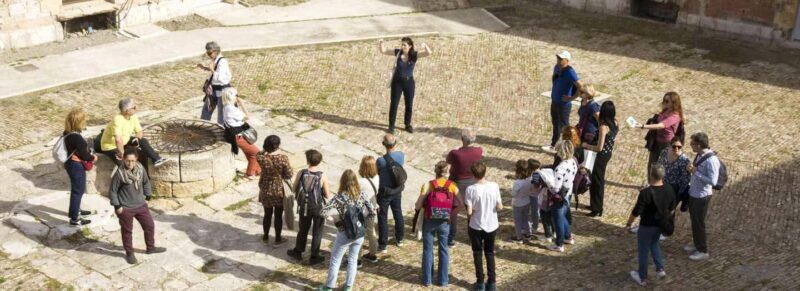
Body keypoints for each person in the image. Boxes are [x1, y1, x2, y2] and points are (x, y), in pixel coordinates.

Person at [317, 170, 376, 291]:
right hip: (359, 233)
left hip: (345, 233)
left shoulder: (339, 198)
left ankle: (329, 286)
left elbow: (323, 212)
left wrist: (335, 220)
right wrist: (363, 221)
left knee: (335, 260)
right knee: (353, 260)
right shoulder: (362, 195)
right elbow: (372, 212)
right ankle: (348, 287)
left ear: (343, 182)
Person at [109, 148, 166, 264]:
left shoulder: (140, 168)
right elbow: (112, 191)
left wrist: (148, 196)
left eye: (133, 161)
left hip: (141, 205)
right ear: (124, 159)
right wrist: (117, 206)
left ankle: (151, 248)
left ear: (136, 160)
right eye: (128, 161)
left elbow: (145, 182)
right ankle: (129, 253)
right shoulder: (119, 174)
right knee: (127, 232)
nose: (130, 164)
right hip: (125, 208)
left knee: (149, 226)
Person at [625, 165, 677, 286]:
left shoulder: (646, 193)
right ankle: (660, 269)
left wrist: (628, 224)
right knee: (654, 244)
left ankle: (642, 277)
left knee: (643, 250)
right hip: (660, 225)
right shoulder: (669, 189)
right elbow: (672, 209)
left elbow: (636, 212)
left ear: (651, 175)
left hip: (646, 227)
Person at [414, 161, 459, 287]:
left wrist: (419, 208)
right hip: (445, 221)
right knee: (444, 249)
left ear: (435, 171)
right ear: (446, 172)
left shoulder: (428, 185)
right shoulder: (452, 185)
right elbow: (461, 204)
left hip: (429, 220)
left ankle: (427, 280)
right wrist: (451, 214)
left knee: (428, 250)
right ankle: (443, 280)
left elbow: (418, 205)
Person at [378, 37, 432, 134]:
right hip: (397, 82)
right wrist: (381, 42)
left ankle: (407, 124)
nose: (402, 46)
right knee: (394, 104)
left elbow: (428, 53)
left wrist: (425, 46)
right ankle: (391, 126)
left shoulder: (414, 55)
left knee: (409, 104)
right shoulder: (398, 52)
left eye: (404, 45)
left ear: (410, 46)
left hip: (409, 82)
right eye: (402, 44)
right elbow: (384, 51)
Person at [287, 150, 332, 265]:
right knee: (317, 231)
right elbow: (327, 194)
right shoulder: (322, 175)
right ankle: (314, 256)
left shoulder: (301, 173)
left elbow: (294, 188)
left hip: (304, 206)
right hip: (318, 208)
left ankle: (298, 251)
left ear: (307, 161)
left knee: (303, 229)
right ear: (320, 161)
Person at [464, 161, 502, 291]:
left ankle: (480, 283)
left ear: (473, 174)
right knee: (490, 253)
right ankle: (492, 283)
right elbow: (500, 206)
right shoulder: (494, 186)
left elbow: (469, 212)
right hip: (491, 225)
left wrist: (474, 211)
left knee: (477, 253)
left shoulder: (470, 189)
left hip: (476, 225)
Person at [98, 98, 167, 167]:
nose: (136, 108)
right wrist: (122, 153)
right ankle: (126, 175)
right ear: (127, 111)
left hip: (124, 141)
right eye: (134, 107)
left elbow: (139, 131)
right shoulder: (117, 120)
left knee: (142, 140)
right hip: (111, 146)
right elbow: (118, 140)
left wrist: (137, 138)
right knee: (124, 163)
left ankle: (156, 159)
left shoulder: (133, 116)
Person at [685, 132, 720, 261]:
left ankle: (703, 250)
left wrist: (696, 173)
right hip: (694, 193)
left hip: (702, 196)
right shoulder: (699, 155)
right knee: (694, 221)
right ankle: (696, 243)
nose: (691, 146)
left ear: (699, 145)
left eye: (692, 144)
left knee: (699, 223)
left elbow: (713, 181)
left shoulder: (712, 160)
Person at [582, 101, 619, 217]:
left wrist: (587, 146)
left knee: (597, 181)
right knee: (596, 179)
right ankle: (594, 204)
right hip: (608, 153)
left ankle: (597, 208)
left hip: (600, 156)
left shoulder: (603, 127)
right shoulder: (615, 122)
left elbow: (599, 147)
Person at [445, 128, 481, 246]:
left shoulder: (455, 153)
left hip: (457, 184)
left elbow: (448, 160)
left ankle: (451, 238)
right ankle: (473, 237)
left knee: (454, 210)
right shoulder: (478, 151)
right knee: (472, 210)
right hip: (472, 183)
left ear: (462, 139)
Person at [62, 108, 98, 225]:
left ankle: (75, 210)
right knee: (78, 191)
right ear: (79, 122)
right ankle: (74, 218)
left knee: (76, 189)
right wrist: (93, 158)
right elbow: (85, 155)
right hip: (75, 165)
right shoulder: (76, 137)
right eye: (83, 119)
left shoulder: (67, 132)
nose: (85, 121)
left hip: (70, 164)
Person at [543, 50, 583, 152]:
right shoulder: (556, 67)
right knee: (555, 124)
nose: (558, 60)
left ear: (567, 60)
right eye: (558, 58)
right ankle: (554, 145)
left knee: (565, 127)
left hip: (564, 105)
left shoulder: (570, 72)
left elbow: (580, 86)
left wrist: (572, 98)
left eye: (561, 59)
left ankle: (568, 148)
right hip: (555, 101)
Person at [257, 135, 293, 245]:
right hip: (279, 191)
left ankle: (265, 237)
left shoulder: (261, 158)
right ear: (277, 146)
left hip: (265, 189)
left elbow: (259, 153)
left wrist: (266, 149)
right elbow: (289, 174)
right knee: (278, 215)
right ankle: (278, 239)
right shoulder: (283, 158)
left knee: (267, 214)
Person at [638, 92, 684, 173]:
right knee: (652, 164)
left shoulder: (675, 116)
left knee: (662, 166)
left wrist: (643, 126)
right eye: (664, 100)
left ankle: (660, 184)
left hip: (666, 144)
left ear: (674, 103)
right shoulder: (665, 110)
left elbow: (661, 125)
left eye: (667, 101)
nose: (664, 102)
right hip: (656, 141)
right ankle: (651, 183)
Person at [220, 87, 260, 178]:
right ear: (232, 97)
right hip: (237, 136)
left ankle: (258, 170)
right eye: (236, 95)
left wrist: (237, 103)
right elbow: (247, 117)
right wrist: (242, 104)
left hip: (234, 134)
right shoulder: (231, 109)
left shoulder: (227, 106)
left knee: (250, 152)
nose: (237, 97)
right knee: (256, 152)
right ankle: (250, 173)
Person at [546, 140, 578, 252]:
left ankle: (559, 244)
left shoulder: (560, 168)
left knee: (558, 219)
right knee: (563, 216)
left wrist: (548, 184)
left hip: (560, 197)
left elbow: (556, 188)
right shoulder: (573, 161)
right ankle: (568, 236)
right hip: (568, 193)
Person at [376, 134, 405, 252]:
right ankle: (400, 239)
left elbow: (377, 172)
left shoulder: (380, 160)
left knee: (383, 217)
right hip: (397, 190)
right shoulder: (401, 156)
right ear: (395, 143)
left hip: (384, 191)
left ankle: (383, 244)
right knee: (398, 213)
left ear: (383, 144)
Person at [197, 41, 232, 124]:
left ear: (215, 51)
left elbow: (220, 78)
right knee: (206, 110)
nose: (208, 55)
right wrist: (204, 68)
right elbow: (215, 70)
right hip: (213, 90)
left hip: (222, 91)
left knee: (221, 115)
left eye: (210, 53)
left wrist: (212, 69)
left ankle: (221, 132)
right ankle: (203, 127)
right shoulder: (216, 60)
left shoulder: (223, 62)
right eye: (207, 53)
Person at [357, 156, 380, 263]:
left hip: (361, 211)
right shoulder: (377, 178)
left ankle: (357, 258)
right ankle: (373, 254)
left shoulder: (360, 182)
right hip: (372, 208)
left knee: (359, 234)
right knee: (371, 232)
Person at [658, 136, 691, 212]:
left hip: (674, 189)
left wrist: (678, 194)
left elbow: (686, 179)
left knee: (669, 211)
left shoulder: (684, 160)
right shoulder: (664, 152)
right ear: (670, 145)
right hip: (662, 185)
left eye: (679, 147)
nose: (676, 149)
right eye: (674, 146)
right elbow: (659, 165)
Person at [511, 160, 534, 243]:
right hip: (527, 202)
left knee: (518, 221)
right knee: (525, 218)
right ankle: (528, 234)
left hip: (517, 204)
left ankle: (518, 237)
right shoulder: (530, 179)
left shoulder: (517, 183)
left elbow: (513, 194)